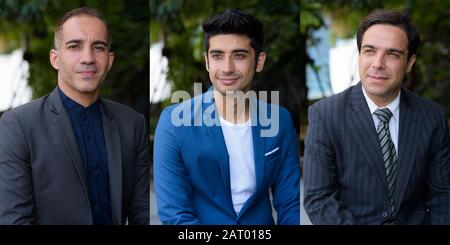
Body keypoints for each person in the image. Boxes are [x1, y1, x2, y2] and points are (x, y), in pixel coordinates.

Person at [0, 7, 149, 225]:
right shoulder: (18, 126)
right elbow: (14, 219)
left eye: (98, 47)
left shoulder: (133, 124)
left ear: (109, 59)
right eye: (74, 46)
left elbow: (142, 212)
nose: (87, 58)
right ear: (55, 58)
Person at [303, 9, 450, 225]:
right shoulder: (325, 115)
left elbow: (442, 196)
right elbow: (319, 199)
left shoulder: (432, 116)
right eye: (369, 51)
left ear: (410, 63)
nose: (378, 63)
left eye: (392, 54)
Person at [153, 9, 300, 225]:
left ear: (259, 61)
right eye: (217, 56)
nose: (227, 68)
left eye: (239, 55)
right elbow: (175, 215)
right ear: (207, 62)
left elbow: (290, 204)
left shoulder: (280, 121)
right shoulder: (174, 122)